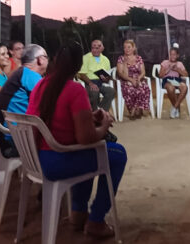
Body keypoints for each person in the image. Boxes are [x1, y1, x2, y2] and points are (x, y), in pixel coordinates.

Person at [26, 41, 127, 238]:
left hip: (38, 159)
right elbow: (86, 137)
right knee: (117, 153)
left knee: (87, 153)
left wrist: (90, 116)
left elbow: (61, 118)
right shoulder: (74, 89)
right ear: (79, 65)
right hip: (58, 161)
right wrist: (104, 124)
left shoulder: (41, 85)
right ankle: (96, 220)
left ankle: (78, 214)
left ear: (55, 61)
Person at [0, 44, 49, 158]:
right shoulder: (30, 76)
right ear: (40, 60)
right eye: (46, 57)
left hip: (7, 135)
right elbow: (50, 104)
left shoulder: (21, 72)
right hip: (14, 140)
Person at [116, 39, 150, 119]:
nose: (127, 49)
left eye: (129, 47)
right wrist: (131, 80)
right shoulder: (121, 59)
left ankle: (136, 109)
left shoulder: (138, 58)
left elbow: (143, 72)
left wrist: (138, 78)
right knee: (130, 89)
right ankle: (134, 109)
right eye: (125, 47)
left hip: (138, 79)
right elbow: (121, 74)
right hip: (126, 79)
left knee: (144, 88)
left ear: (133, 48)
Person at [78, 40, 115, 112]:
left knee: (111, 91)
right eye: (93, 48)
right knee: (95, 92)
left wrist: (106, 79)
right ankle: (95, 113)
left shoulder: (105, 60)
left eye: (97, 48)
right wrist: (90, 83)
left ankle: (101, 111)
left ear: (102, 48)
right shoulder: (85, 58)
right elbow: (82, 74)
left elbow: (108, 76)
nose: (94, 50)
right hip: (88, 82)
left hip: (100, 83)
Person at [159, 46, 188, 119]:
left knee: (185, 87)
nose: (172, 56)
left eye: (174, 54)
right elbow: (160, 75)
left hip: (177, 80)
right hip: (167, 80)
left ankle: (174, 108)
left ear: (177, 55)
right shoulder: (165, 62)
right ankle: (177, 108)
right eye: (171, 54)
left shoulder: (180, 64)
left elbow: (186, 74)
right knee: (170, 88)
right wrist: (168, 69)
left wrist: (178, 70)